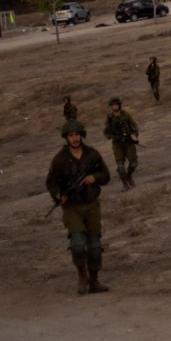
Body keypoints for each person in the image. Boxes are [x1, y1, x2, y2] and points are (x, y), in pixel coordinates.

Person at [46, 120, 112, 295]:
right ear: (66, 137)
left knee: (95, 245)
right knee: (77, 244)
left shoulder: (92, 155)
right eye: (70, 135)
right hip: (72, 207)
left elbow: (106, 176)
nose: (74, 138)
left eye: (76, 134)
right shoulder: (60, 159)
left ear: (81, 135)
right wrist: (58, 195)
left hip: (91, 205)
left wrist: (93, 178)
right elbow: (51, 183)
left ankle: (95, 280)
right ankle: (82, 277)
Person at [102, 96, 140, 190]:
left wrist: (135, 131)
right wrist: (113, 136)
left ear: (119, 105)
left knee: (134, 163)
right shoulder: (109, 118)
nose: (115, 106)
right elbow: (106, 132)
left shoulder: (125, 115)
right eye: (113, 105)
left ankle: (129, 176)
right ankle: (124, 183)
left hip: (128, 142)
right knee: (120, 166)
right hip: (117, 144)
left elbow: (133, 124)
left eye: (116, 104)